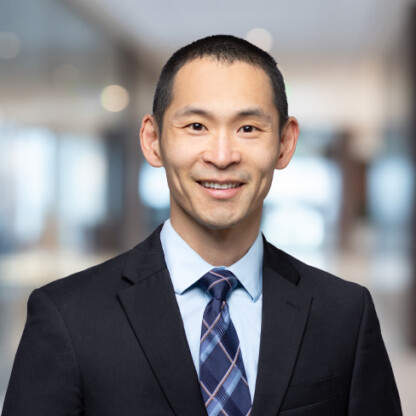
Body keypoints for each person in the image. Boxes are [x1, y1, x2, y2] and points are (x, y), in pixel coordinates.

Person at [2, 35, 402, 416]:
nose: (222, 155)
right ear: (153, 140)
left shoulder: (345, 315)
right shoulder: (68, 316)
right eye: (196, 126)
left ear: (284, 142)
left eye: (248, 128)